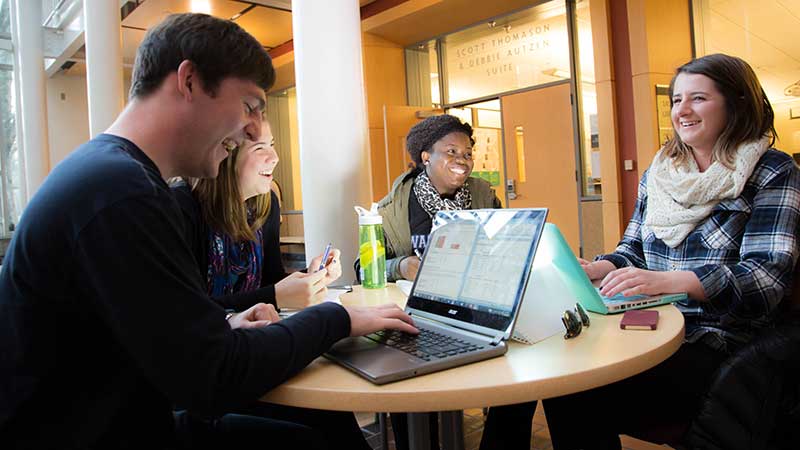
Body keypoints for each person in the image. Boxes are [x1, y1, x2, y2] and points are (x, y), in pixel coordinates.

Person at [0, 13, 416, 449]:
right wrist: (336, 317)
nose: (255, 129)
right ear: (190, 81)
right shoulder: (122, 193)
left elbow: (170, 343)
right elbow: (214, 378)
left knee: (328, 429)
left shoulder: (110, 175)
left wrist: (227, 324)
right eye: (250, 106)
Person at [539, 53, 800, 449]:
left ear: (737, 103)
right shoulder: (659, 174)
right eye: (677, 100)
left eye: (698, 98)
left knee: (578, 388)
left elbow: (764, 280)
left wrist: (668, 282)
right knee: (566, 378)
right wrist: (601, 267)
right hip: (649, 327)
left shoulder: (773, 171)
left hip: (721, 339)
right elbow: (634, 251)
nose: (683, 110)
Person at [172, 121, 370, 449]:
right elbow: (187, 313)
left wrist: (307, 279)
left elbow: (270, 282)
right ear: (225, 155)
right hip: (206, 373)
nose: (275, 157)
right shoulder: (182, 207)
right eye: (260, 148)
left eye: (273, 144)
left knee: (333, 414)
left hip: (253, 354)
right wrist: (277, 294)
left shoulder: (265, 206)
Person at [368, 114, 511, 450]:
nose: (462, 161)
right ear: (425, 157)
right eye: (451, 152)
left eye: (467, 153)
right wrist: (402, 266)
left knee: (515, 382)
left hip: (476, 311)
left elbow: (508, 245)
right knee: (408, 382)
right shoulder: (392, 208)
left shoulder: (483, 196)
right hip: (415, 317)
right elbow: (367, 265)